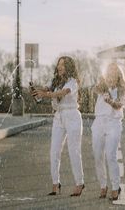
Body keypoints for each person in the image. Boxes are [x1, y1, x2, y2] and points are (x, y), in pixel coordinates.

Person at [32, 56, 85, 196]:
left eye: (63, 64)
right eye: (59, 64)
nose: (60, 67)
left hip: (72, 116)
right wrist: (37, 91)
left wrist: (46, 94)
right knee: (54, 151)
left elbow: (63, 92)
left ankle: (79, 183)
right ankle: (56, 183)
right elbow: (47, 89)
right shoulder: (55, 81)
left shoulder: (73, 82)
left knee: (74, 151)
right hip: (58, 116)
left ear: (69, 67)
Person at [91, 63, 125, 200]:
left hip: (113, 123)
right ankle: (103, 185)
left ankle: (115, 187)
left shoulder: (123, 90)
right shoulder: (102, 87)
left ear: (119, 74)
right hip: (99, 122)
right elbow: (94, 89)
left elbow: (119, 105)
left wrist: (110, 102)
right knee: (97, 156)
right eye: (109, 72)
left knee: (111, 155)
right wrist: (103, 89)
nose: (111, 74)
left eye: (114, 72)